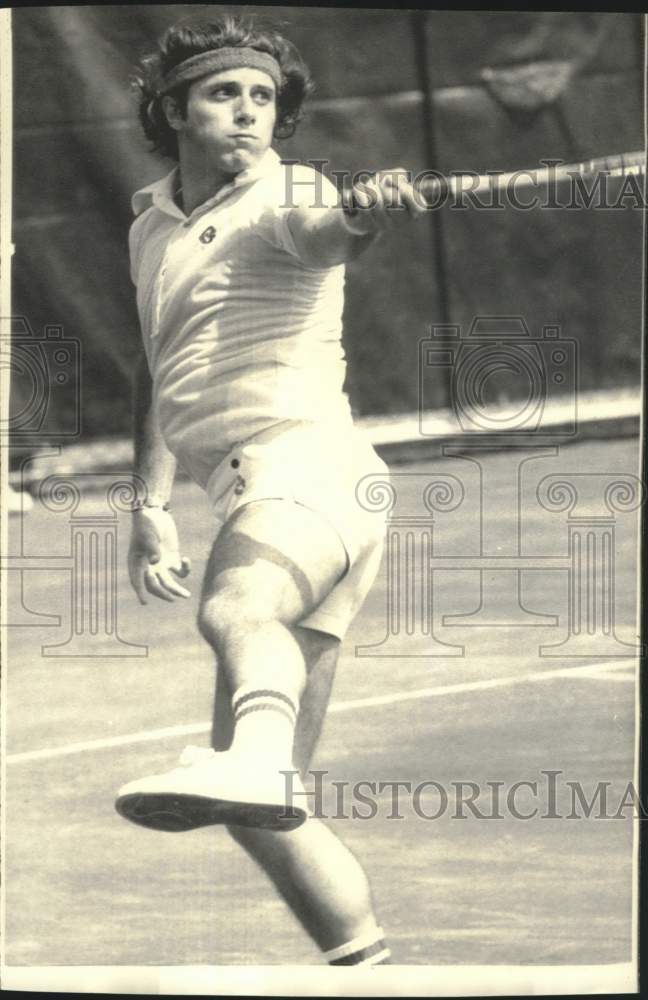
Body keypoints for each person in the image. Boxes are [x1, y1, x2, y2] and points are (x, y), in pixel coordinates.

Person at [116, 15, 425, 966]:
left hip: (306, 464)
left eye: (263, 97)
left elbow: (327, 234)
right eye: (224, 93)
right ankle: (368, 967)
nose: (249, 112)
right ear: (174, 110)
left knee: (236, 605)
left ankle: (252, 756)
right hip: (271, 488)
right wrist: (149, 505)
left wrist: (365, 214)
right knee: (264, 805)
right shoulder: (150, 226)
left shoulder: (291, 191)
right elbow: (160, 368)